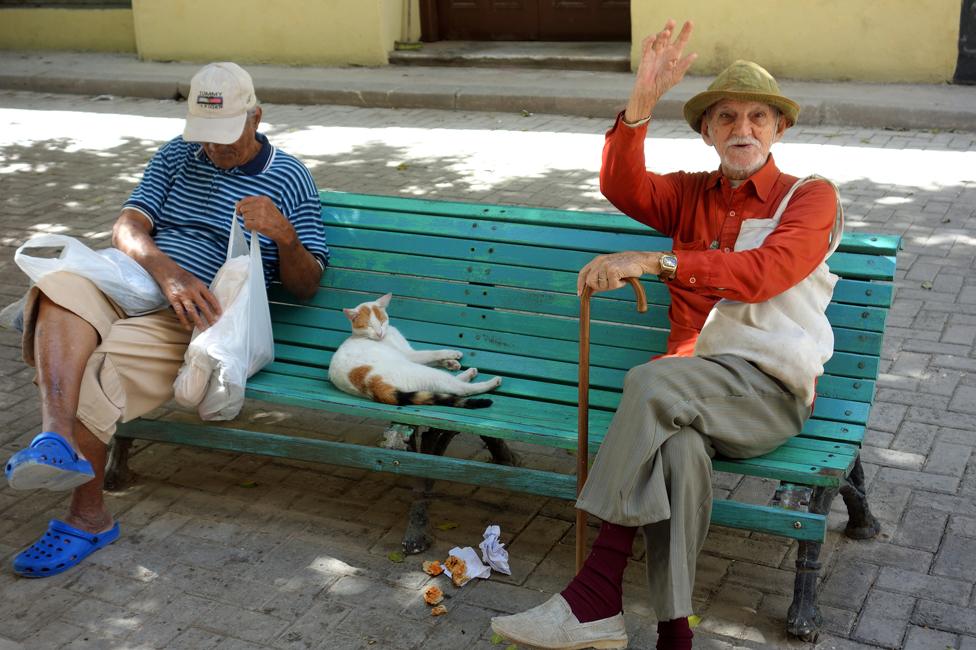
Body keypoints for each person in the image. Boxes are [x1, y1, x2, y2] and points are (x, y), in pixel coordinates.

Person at [491, 20, 842, 650]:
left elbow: (765, 274)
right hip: (687, 392)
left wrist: (656, 261)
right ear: (707, 132)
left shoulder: (809, 199)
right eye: (726, 117)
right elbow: (622, 186)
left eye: (759, 117)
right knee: (676, 453)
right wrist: (642, 104)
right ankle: (673, 635)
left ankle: (592, 594)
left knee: (649, 382)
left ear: (780, 129)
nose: (743, 129)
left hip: (765, 392)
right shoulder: (689, 194)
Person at [4, 62, 329, 578]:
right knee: (56, 285)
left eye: (226, 137)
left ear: (257, 117)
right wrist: (165, 270)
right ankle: (54, 440)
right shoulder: (178, 155)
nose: (215, 150)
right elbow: (128, 226)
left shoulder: (288, 176)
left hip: (196, 317)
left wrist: (285, 236)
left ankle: (88, 518)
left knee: (98, 376)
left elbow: (308, 285)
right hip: (137, 280)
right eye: (206, 137)